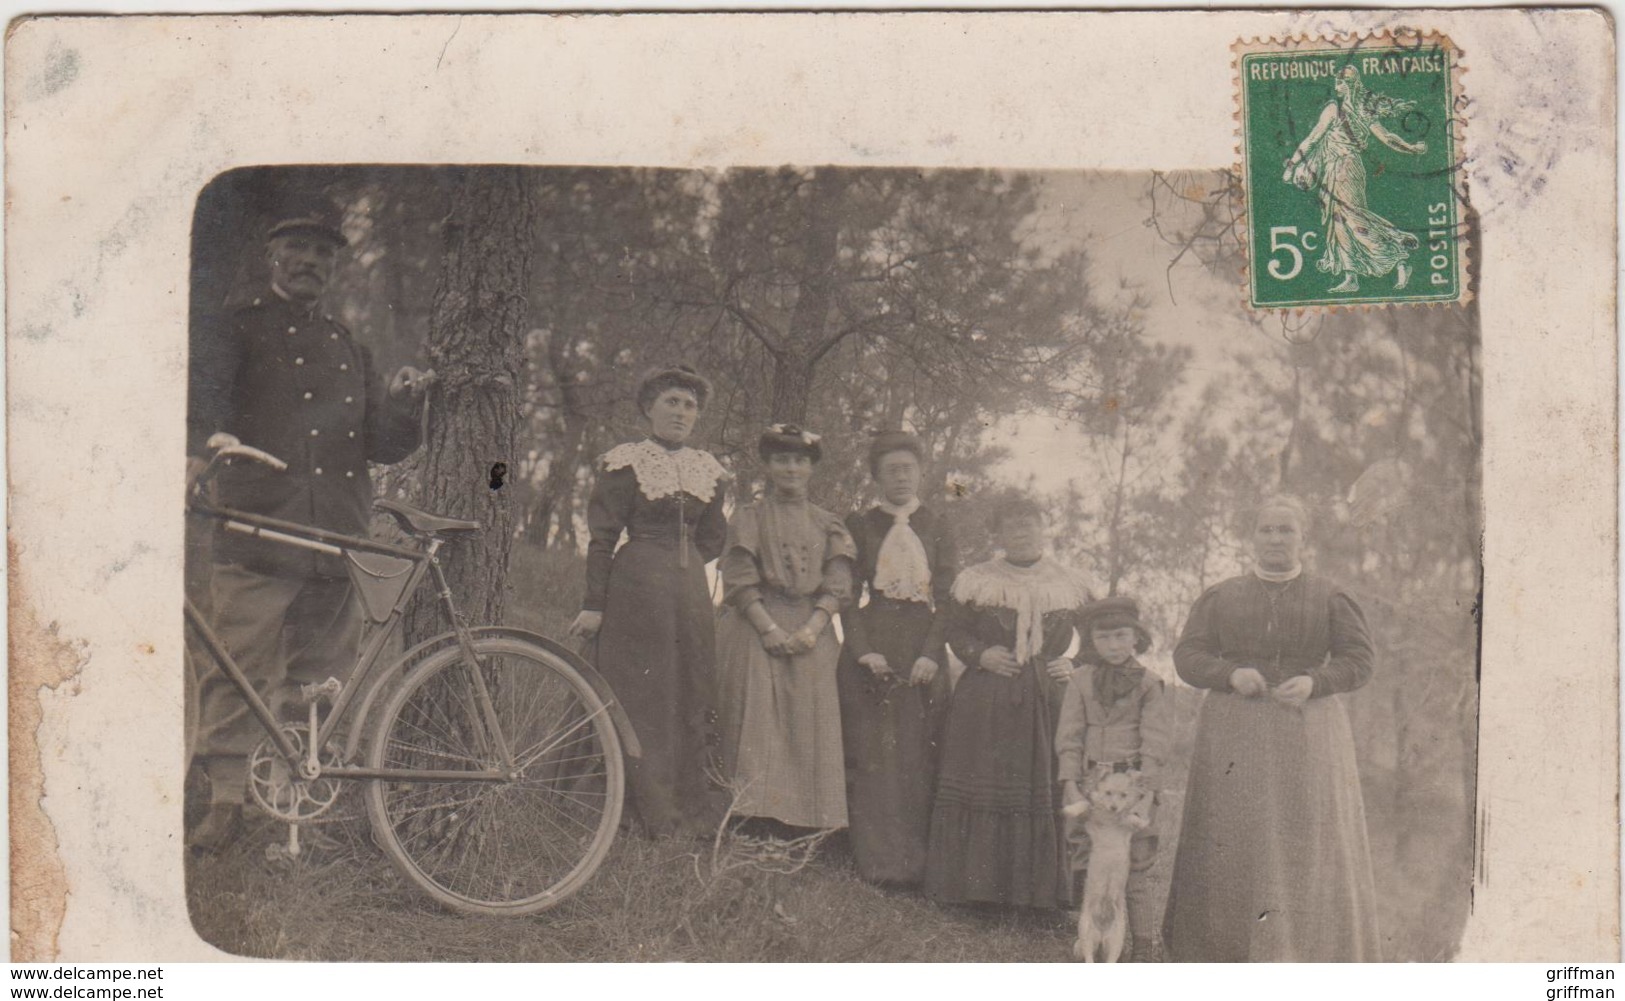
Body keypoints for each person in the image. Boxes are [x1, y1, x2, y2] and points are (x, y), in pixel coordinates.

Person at [185, 195, 432, 849]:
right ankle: (225, 802)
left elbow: (380, 441)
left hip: (335, 536)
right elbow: (203, 404)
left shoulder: (348, 344)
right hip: (257, 527)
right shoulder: (236, 327)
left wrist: (406, 404)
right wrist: (195, 456)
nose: (310, 263)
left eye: (324, 253)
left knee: (318, 677)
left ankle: (296, 807)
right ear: (274, 253)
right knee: (233, 664)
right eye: (299, 249)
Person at [1162, 495, 1380, 962]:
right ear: (1252, 537)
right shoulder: (1221, 596)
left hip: (1309, 731)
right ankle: (1221, 952)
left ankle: (1304, 951)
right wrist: (1229, 675)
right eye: (1267, 529)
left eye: (1287, 530)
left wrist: (1316, 681)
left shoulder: (1331, 596)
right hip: (1233, 731)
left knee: (1305, 835)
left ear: (1304, 538)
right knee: (1233, 834)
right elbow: (1187, 656)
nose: (1276, 539)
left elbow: (1360, 661)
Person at [568, 365, 730, 839]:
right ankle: (633, 805)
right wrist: (594, 603)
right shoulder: (627, 462)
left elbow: (715, 537)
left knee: (688, 689)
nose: (681, 413)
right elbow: (600, 538)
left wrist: (682, 564)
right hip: (636, 589)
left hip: (689, 595)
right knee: (642, 692)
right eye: (671, 402)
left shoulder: (709, 471)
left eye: (689, 405)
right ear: (649, 409)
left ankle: (683, 805)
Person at [924, 495, 1090, 909]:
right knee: (984, 780)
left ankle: (1039, 895)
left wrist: (1072, 662)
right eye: (1011, 524)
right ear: (998, 532)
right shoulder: (976, 579)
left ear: (1043, 527)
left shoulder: (1070, 582)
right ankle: (975, 891)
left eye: (1030, 522)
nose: (1021, 531)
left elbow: (1101, 635)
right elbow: (952, 630)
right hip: (987, 696)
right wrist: (980, 654)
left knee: (1044, 782)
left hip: (1046, 698)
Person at [715, 424, 856, 830]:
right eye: (781, 460)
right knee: (757, 719)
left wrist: (813, 627)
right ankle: (748, 819)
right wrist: (768, 629)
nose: (790, 468)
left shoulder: (829, 523)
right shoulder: (750, 516)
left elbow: (838, 583)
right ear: (768, 465)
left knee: (807, 722)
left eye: (799, 460)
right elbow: (739, 577)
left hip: (812, 627)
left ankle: (803, 823)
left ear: (811, 468)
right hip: (757, 622)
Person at [837, 431, 958, 886]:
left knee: (918, 752)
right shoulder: (860, 524)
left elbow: (948, 600)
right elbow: (847, 595)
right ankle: (876, 863)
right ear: (876, 477)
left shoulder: (938, 525)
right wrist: (863, 649)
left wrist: (932, 654)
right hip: (873, 639)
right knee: (873, 753)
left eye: (908, 468)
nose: (901, 476)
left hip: (923, 643)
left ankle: (919, 865)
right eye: (891, 469)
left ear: (921, 473)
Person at [1055, 595, 1173, 962]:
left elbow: (1155, 744)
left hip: (1131, 788)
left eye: (1121, 636)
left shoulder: (1150, 684)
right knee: (1087, 860)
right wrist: (1071, 783)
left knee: (1135, 865)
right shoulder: (1081, 680)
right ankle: (1096, 939)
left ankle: (1143, 946)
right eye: (1104, 638)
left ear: (1136, 637)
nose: (1114, 646)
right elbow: (1070, 736)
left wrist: (1144, 794)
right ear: (1091, 641)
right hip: (1090, 788)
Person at [1283, 65, 1429, 293]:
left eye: (1339, 82)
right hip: (1338, 169)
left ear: (1346, 84)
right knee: (1338, 221)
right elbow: (1389, 138)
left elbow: (1312, 139)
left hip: (1344, 169)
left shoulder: (1335, 109)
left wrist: (1292, 164)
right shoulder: (1364, 110)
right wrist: (1412, 148)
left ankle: (1398, 255)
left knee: (1353, 219)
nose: (1336, 86)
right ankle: (1351, 277)